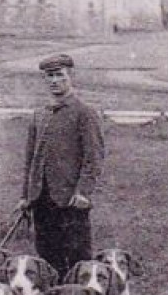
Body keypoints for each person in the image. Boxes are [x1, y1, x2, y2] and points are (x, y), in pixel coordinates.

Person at [18, 53, 106, 278]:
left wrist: (83, 192)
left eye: (59, 75)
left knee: (78, 258)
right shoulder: (40, 114)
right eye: (50, 76)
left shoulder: (84, 113)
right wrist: (25, 195)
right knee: (47, 258)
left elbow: (94, 156)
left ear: (71, 76)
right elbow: (31, 160)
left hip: (71, 201)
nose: (54, 81)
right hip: (41, 199)